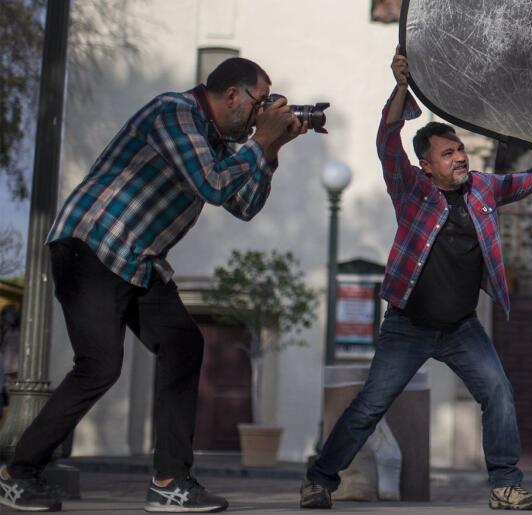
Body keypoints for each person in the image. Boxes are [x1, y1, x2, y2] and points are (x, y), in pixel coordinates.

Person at [300, 47, 532, 511]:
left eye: (460, 149)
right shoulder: (411, 189)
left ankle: (504, 485)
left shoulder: (484, 190)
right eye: (448, 153)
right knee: (370, 405)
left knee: (499, 394)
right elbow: (388, 138)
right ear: (427, 164)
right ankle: (319, 480)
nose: (460, 157)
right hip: (408, 326)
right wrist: (402, 87)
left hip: (461, 328)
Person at [0, 58, 306, 513]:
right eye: (259, 102)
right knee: (100, 366)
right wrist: (261, 141)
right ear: (232, 96)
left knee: (184, 345)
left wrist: (272, 148)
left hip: (136, 261)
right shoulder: (175, 113)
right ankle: (18, 471)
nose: (261, 112)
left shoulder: (218, 141)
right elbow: (215, 186)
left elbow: (243, 205)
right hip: (92, 245)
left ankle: (170, 481)